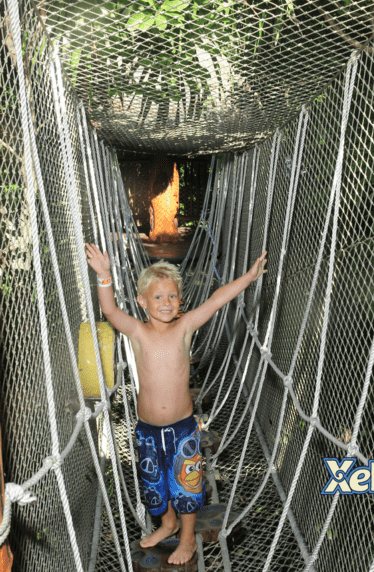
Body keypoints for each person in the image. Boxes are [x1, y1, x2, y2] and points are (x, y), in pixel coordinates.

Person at [85, 242, 267, 565]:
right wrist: (104, 275)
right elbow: (111, 311)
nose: (166, 303)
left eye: (172, 297)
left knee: (187, 487)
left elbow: (216, 301)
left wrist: (249, 278)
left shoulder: (184, 328)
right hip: (147, 431)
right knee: (155, 489)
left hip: (183, 429)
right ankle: (166, 523)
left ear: (181, 302)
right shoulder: (137, 333)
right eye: (158, 297)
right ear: (142, 301)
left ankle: (187, 539)